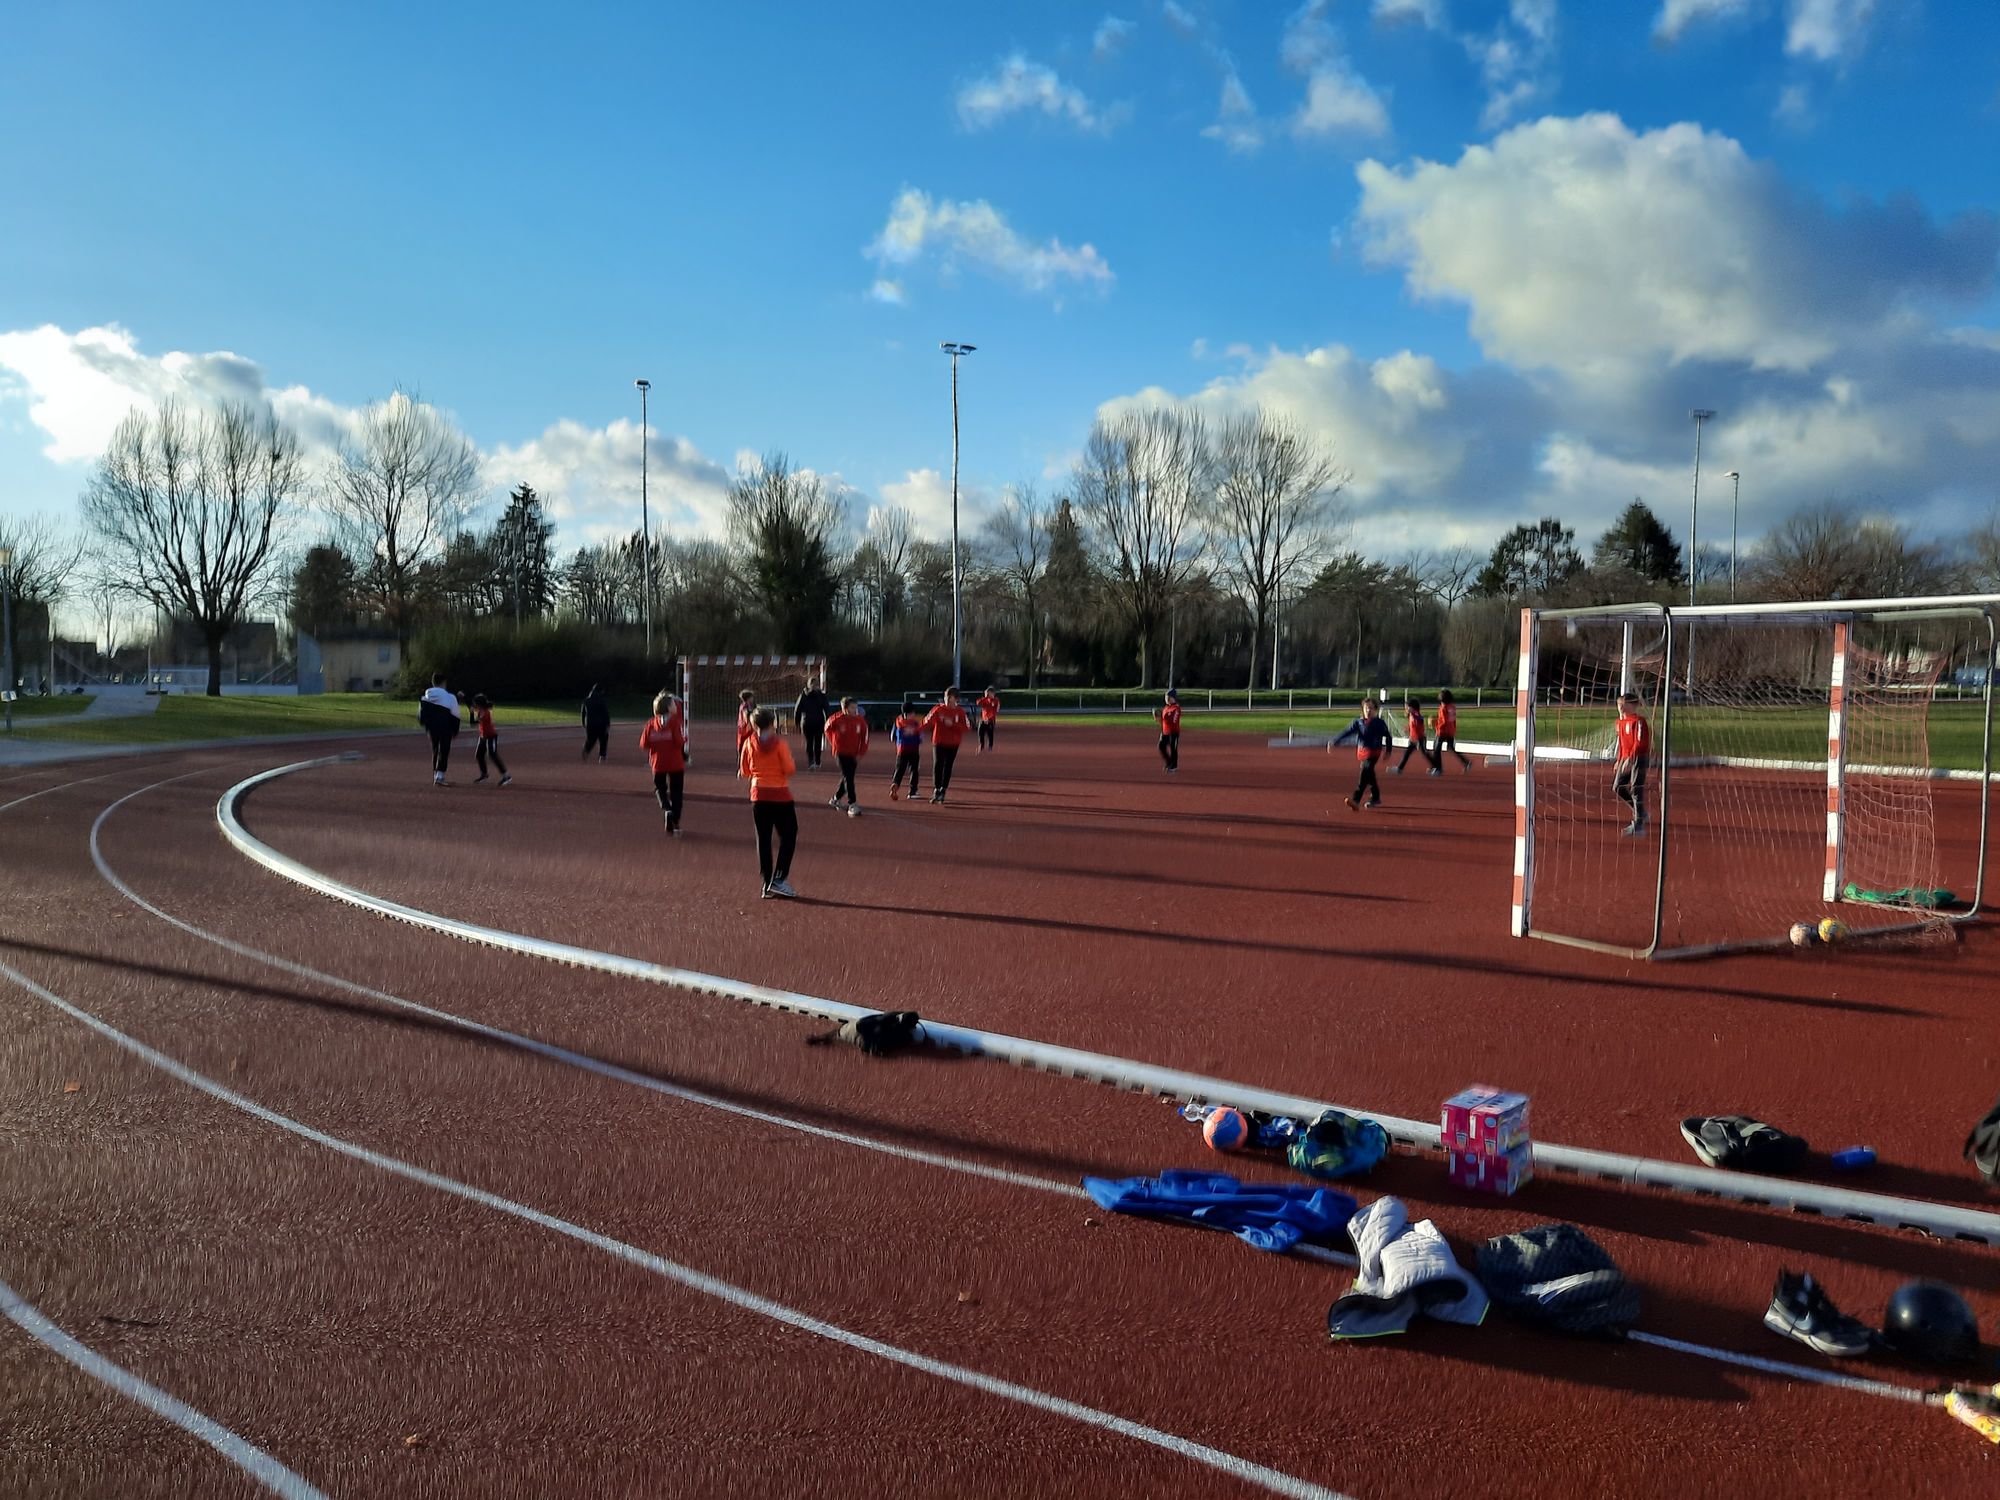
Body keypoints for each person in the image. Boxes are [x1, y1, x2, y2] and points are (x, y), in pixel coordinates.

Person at [737, 707, 798, 898]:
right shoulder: (780, 744)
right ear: (773, 723)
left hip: (758, 794)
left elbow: (745, 771)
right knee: (789, 834)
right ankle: (779, 878)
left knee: (763, 839)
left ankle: (766, 883)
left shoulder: (749, 742)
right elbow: (789, 769)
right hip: (780, 794)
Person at [640, 690, 691, 836]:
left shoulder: (650, 724)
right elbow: (679, 742)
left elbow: (644, 744)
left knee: (660, 789)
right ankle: (675, 821)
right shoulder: (675, 722)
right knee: (676, 792)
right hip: (675, 763)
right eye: (673, 704)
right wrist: (684, 742)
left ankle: (666, 808)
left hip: (658, 763)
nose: (676, 706)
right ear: (668, 707)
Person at [1331, 698, 1396, 811]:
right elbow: (1347, 732)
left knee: (1364, 774)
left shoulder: (1379, 723)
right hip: (1362, 752)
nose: (1368, 710)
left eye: (1371, 708)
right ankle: (1375, 797)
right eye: (1366, 708)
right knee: (1369, 775)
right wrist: (1336, 740)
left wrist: (1388, 751)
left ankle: (1356, 800)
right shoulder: (1358, 722)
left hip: (1374, 752)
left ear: (1375, 710)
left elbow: (1388, 737)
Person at [922, 688, 972, 804]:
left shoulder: (960, 712)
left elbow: (967, 727)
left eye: (950, 699)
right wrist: (916, 730)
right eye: (946, 698)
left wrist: (953, 724)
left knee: (947, 766)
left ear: (956, 700)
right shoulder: (938, 709)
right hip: (939, 741)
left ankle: (943, 789)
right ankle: (937, 789)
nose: (947, 701)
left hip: (953, 743)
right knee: (938, 764)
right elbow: (927, 722)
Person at [1613, 691, 1652, 837]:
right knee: (1618, 786)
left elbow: (1640, 743)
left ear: (1633, 706)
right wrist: (1619, 760)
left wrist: (1630, 759)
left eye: (1624, 705)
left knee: (1636, 789)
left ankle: (1639, 825)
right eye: (1619, 705)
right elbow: (1622, 744)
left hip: (1638, 758)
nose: (1621, 708)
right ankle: (1641, 812)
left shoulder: (1639, 721)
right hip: (1625, 759)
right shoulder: (1619, 723)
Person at [824, 695, 870, 817]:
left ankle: (835, 798)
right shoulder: (836, 719)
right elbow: (827, 729)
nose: (855, 710)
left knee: (847, 777)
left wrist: (861, 753)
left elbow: (865, 738)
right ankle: (852, 804)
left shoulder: (860, 721)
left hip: (854, 754)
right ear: (845, 709)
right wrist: (834, 742)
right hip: (840, 753)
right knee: (848, 777)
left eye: (856, 707)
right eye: (852, 707)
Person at [418, 674, 461, 787]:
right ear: (443, 682)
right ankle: (440, 776)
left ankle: (435, 775)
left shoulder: (426, 695)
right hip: (445, 726)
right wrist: (455, 730)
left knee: (435, 750)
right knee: (444, 750)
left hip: (431, 727)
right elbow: (456, 714)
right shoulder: (450, 697)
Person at [1392, 696, 1440, 776]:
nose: (1406, 708)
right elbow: (1412, 725)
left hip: (1420, 738)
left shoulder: (1416, 714)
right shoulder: (1411, 715)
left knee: (1424, 753)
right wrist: (1407, 728)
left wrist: (1415, 717)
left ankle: (1437, 767)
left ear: (1412, 707)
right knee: (1407, 753)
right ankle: (1399, 768)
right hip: (1413, 738)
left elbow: (1420, 719)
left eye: (1407, 707)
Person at [471, 694, 512, 786]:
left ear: (480, 704)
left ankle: (506, 776)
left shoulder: (486, 713)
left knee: (492, 754)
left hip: (491, 736)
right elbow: (473, 722)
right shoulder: (480, 711)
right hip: (483, 736)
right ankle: (484, 774)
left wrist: (471, 713)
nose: (474, 705)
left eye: (476, 703)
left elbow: (474, 722)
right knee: (479, 755)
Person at [889, 697, 925, 801]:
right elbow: (921, 736)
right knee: (914, 770)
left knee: (899, 769)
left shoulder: (898, 722)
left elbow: (892, 737)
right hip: (913, 749)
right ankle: (913, 791)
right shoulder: (915, 723)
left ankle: (895, 783)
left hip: (901, 750)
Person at [794, 676, 830, 771]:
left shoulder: (803, 695)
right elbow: (827, 710)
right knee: (817, 742)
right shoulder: (821, 696)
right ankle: (817, 761)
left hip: (807, 722)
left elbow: (797, 710)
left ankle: (811, 761)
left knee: (809, 742)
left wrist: (797, 722)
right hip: (818, 722)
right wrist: (828, 722)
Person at [1433, 688, 1472, 773]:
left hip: (1442, 731)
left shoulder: (1443, 708)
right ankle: (1466, 762)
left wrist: (1436, 725)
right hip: (1450, 730)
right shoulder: (1452, 707)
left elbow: (1444, 721)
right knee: (1451, 748)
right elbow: (1453, 720)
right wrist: (1453, 729)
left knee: (1436, 749)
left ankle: (1438, 768)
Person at [580, 684, 611, 762]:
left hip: (590, 724)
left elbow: (583, 713)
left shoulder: (586, 701)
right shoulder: (602, 700)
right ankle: (602, 756)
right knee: (603, 740)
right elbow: (605, 713)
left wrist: (583, 722)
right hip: (601, 724)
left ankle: (586, 750)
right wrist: (608, 724)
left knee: (590, 739)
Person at [1154, 689, 1181, 773]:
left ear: (1173, 698)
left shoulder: (1176, 708)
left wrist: (1165, 718)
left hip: (1173, 732)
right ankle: (1169, 762)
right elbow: (1163, 721)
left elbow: (1174, 720)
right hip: (1165, 732)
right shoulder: (1166, 708)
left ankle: (1174, 766)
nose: (1166, 699)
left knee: (1173, 749)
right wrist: (1158, 718)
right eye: (1166, 697)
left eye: (1168, 697)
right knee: (1161, 746)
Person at [976, 686, 1000, 752]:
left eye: (988, 693)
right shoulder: (985, 700)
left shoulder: (996, 700)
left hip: (990, 720)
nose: (986, 694)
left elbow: (996, 710)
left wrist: (989, 718)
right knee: (980, 732)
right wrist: (985, 698)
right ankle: (981, 745)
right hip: (983, 719)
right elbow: (978, 703)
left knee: (990, 733)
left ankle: (990, 746)